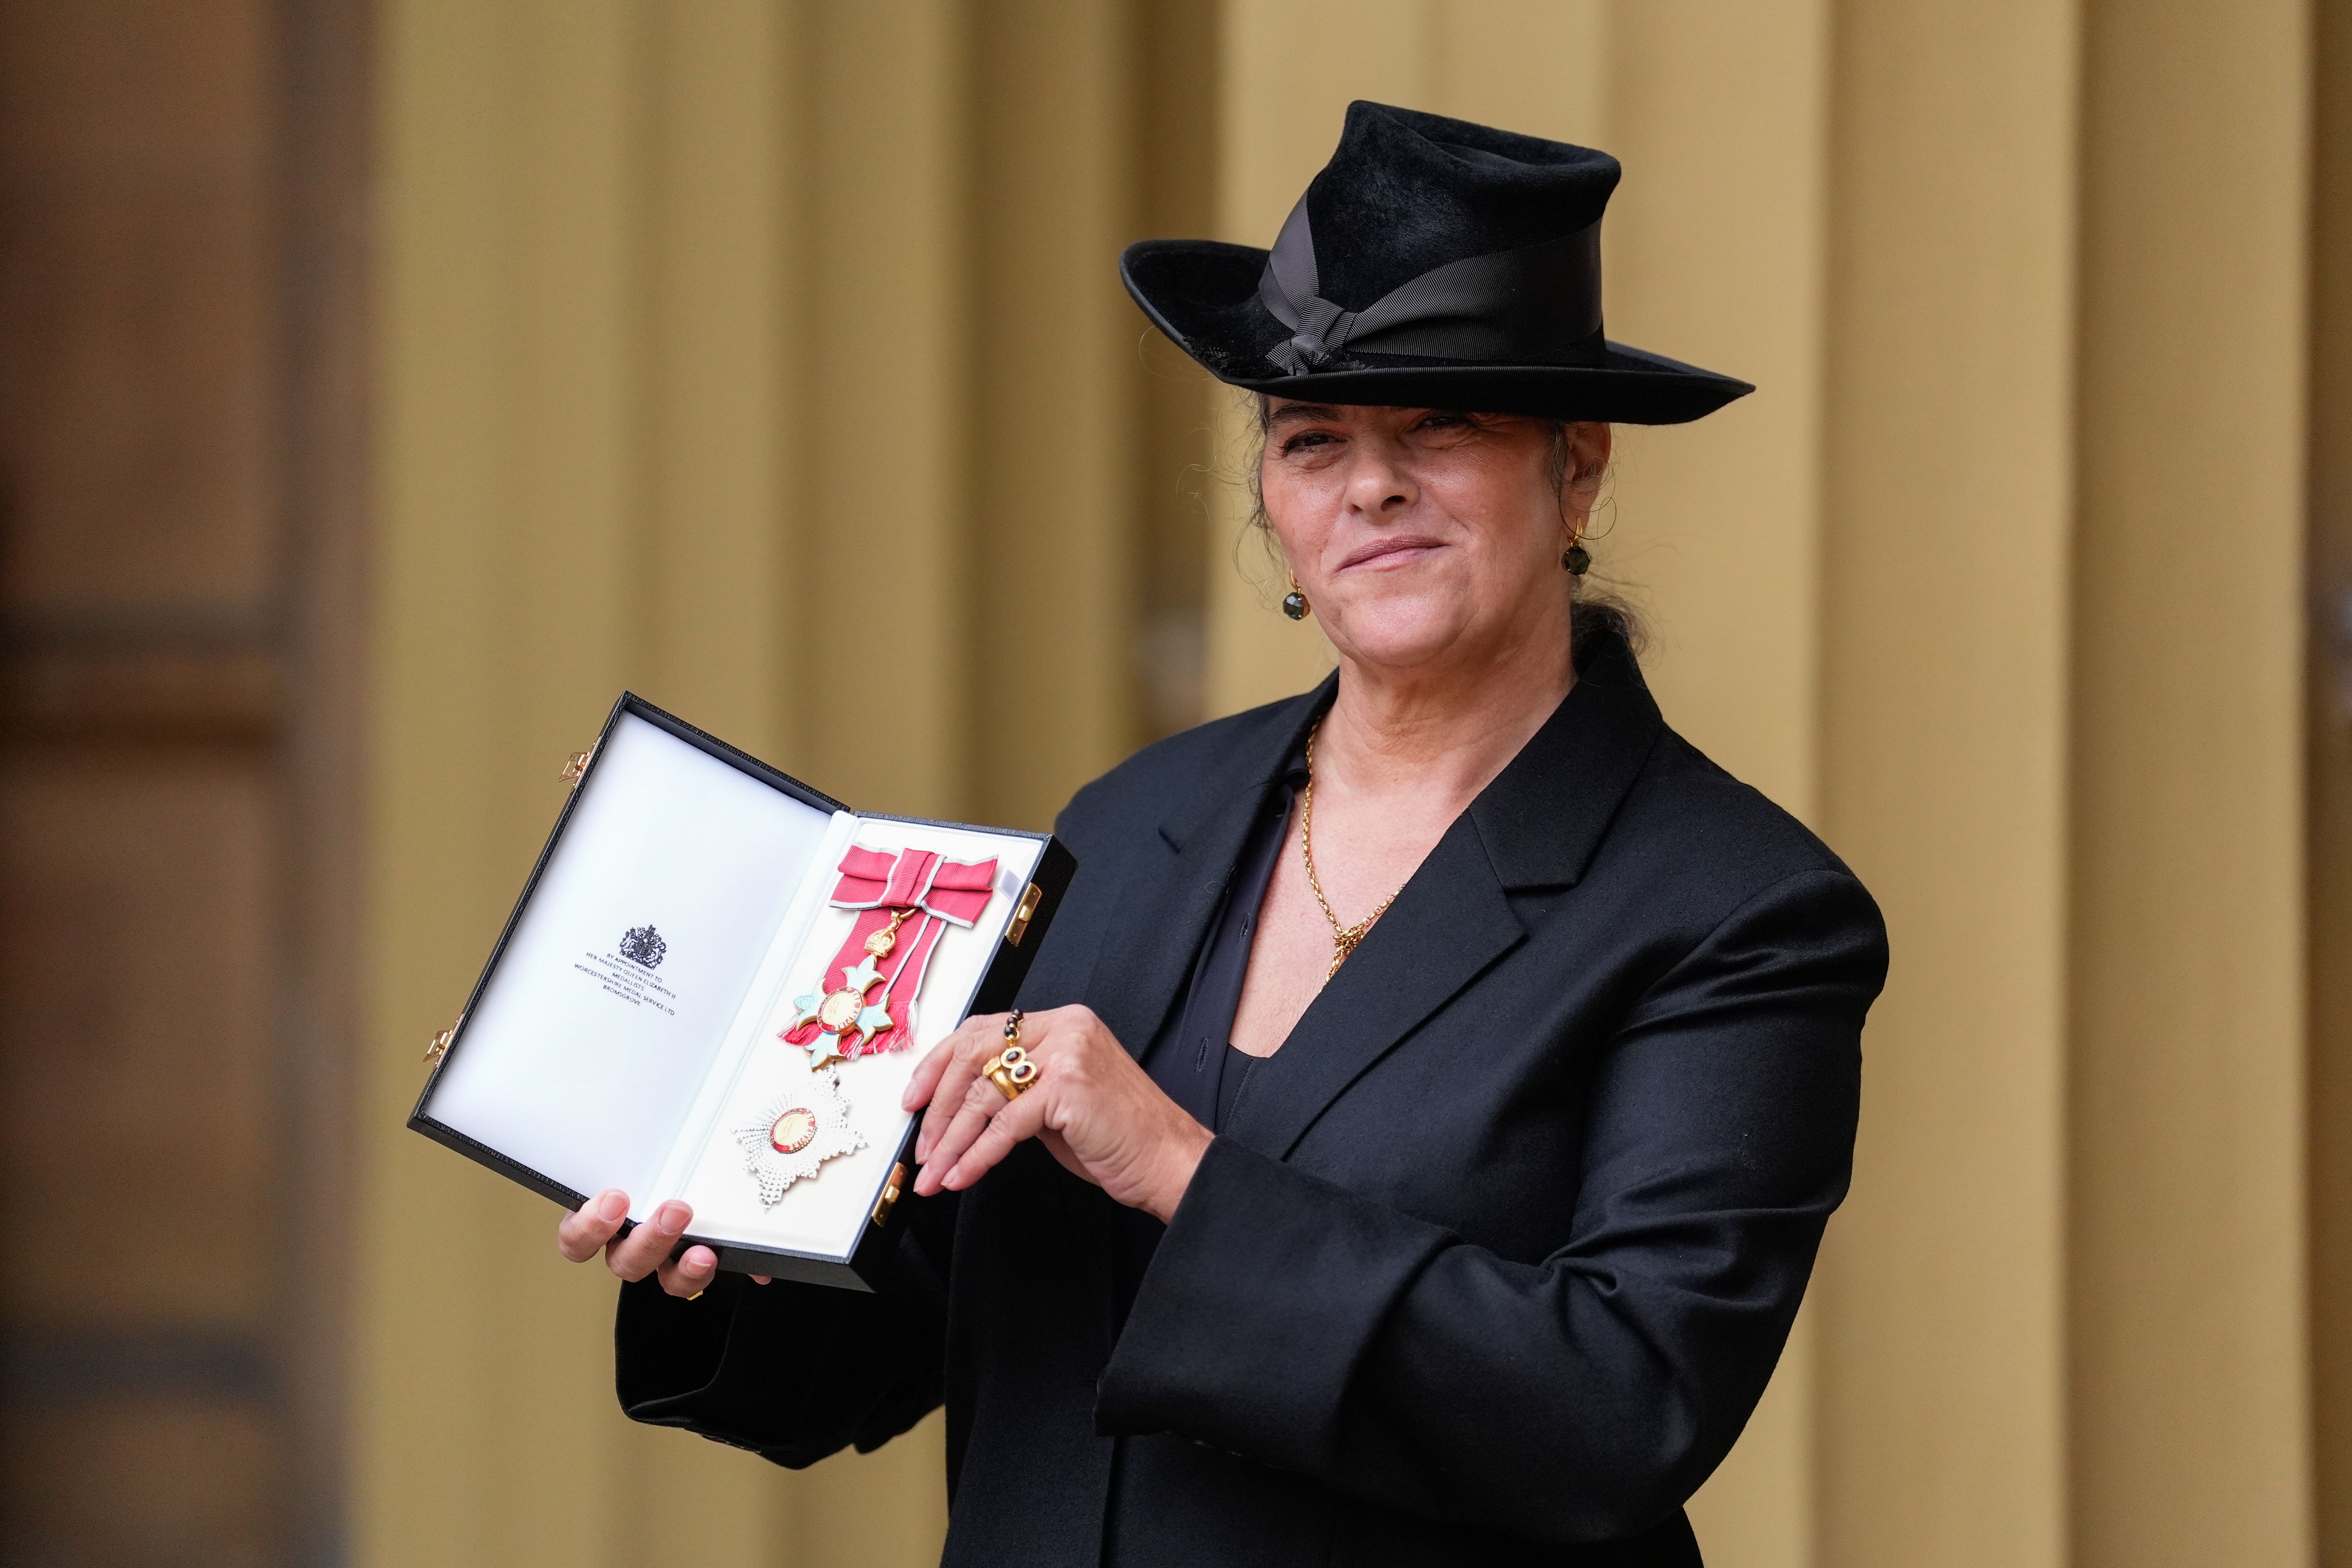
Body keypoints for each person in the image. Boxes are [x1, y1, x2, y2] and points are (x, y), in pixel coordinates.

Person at [556, 101, 1888, 1568]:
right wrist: (721, 1238)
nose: (1369, 483)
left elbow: (1621, 1407)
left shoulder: (1734, 906)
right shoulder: (1133, 823)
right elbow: (921, 1325)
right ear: (1271, 498)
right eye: (1313, 438)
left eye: (1438, 422)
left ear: (1575, 465)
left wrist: (1176, 1163)